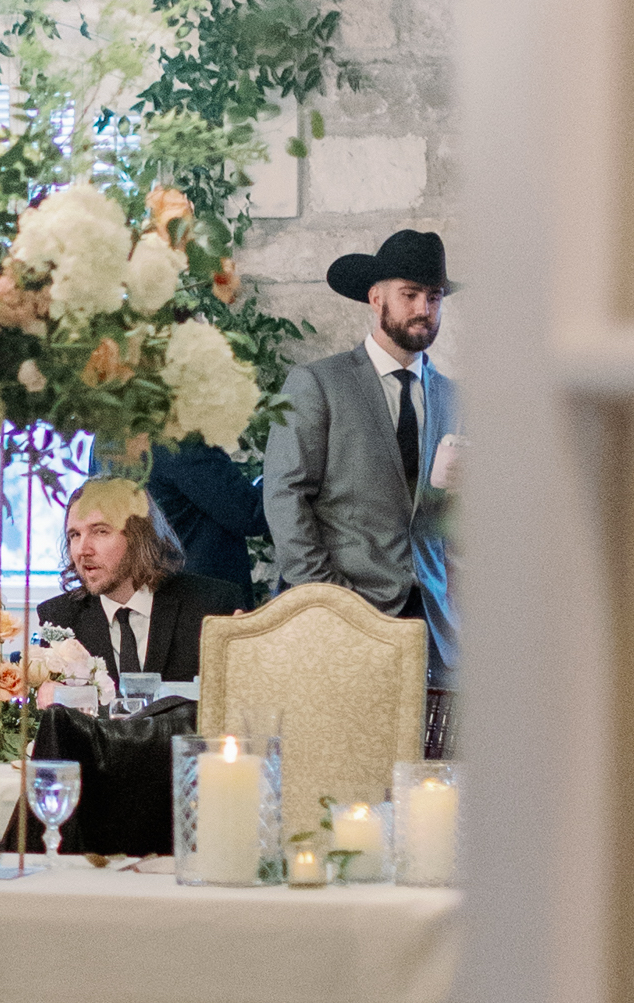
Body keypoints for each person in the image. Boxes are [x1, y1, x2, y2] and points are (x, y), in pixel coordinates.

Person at [262, 225, 460, 691]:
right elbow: (284, 497)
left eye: (434, 298)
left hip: (435, 625)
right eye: (410, 295)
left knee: (432, 763)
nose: (423, 310)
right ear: (376, 298)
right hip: (341, 615)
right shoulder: (317, 384)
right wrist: (329, 600)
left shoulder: (455, 399)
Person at [31, 478, 240, 681]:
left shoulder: (211, 607)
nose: (83, 550)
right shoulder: (59, 619)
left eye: (100, 531)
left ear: (138, 537)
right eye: (74, 535)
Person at [147, 440, 269, 600]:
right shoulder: (183, 446)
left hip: (175, 583)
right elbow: (249, 513)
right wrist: (284, 478)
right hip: (208, 591)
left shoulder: (140, 444)